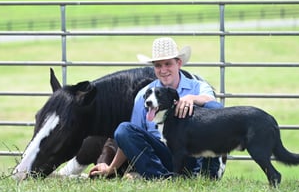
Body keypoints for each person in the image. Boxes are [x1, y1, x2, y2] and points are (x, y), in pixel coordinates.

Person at [89, 37, 226, 179]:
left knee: (214, 108)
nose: (163, 70)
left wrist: (193, 98)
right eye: (158, 66)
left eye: (168, 64)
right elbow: (129, 137)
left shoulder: (197, 87)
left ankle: (206, 173)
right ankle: (160, 177)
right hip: (162, 156)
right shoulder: (145, 95)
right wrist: (112, 168)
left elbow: (212, 103)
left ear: (178, 63)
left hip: (193, 154)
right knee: (124, 130)